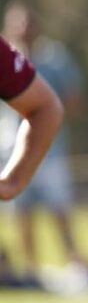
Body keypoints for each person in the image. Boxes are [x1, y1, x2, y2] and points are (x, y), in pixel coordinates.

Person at [2, 0, 85, 275]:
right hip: (10, 146)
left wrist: (52, 117)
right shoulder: (9, 52)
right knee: (22, 213)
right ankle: (30, 268)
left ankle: (73, 260)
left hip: (49, 148)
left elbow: (71, 99)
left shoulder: (54, 58)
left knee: (59, 208)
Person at [0, 34, 63, 202]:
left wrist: (13, 181)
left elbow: (45, 108)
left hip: (52, 158)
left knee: (59, 209)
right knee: (23, 217)